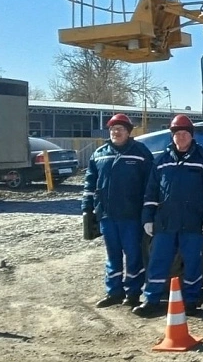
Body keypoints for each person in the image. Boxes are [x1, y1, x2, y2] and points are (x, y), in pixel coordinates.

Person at [132, 114, 203, 317]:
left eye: (184, 133)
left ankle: (191, 301)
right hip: (165, 223)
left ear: (191, 135)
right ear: (172, 136)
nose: (181, 137)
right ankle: (151, 300)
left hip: (193, 222)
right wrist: (148, 218)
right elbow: (151, 192)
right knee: (157, 262)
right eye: (177, 133)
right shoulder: (161, 161)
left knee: (192, 263)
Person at [83, 113, 154, 308]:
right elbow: (89, 183)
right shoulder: (99, 154)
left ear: (128, 132)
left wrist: (148, 211)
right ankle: (113, 292)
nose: (116, 132)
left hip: (131, 216)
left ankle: (133, 294)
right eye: (113, 129)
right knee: (112, 255)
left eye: (120, 129)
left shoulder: (141, 152)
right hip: (107, 215)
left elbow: (151, 184)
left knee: (133, 256)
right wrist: (87, 208)